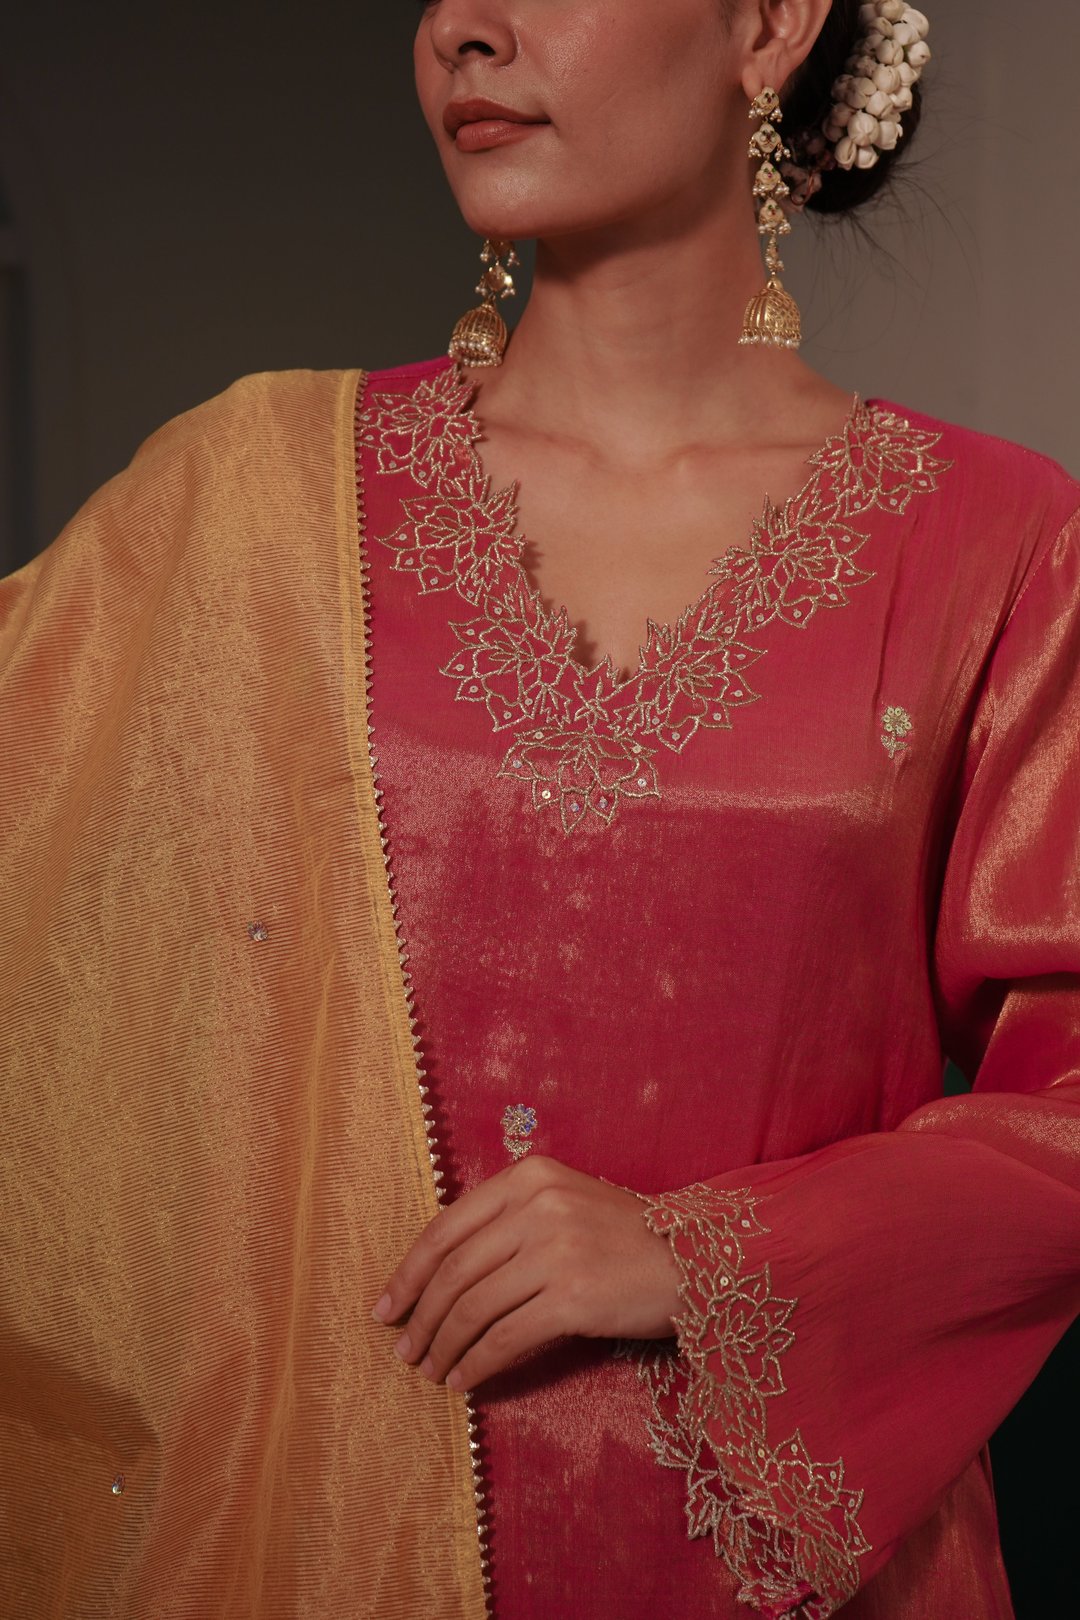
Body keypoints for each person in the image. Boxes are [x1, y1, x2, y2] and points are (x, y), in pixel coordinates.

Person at [1, 1, 1077, 1616]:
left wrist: (714, 1260)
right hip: (313, 1535)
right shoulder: (253, 498)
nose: (463, 30)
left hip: (773, 1568)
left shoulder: (996, 540)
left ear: (770, 24)